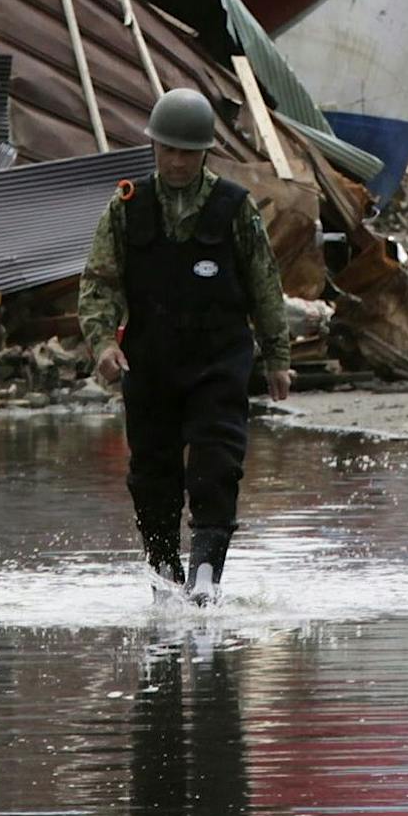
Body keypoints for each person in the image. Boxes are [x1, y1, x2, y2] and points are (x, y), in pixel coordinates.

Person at [80, 86, 293, 604]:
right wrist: (103, 344)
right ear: (153, 148)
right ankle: (163, 574)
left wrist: (277, 357)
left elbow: (266, 285)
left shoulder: (234, 209)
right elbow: (99, 283)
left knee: (216, 466)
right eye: (167, 149)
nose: (176, 161)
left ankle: (205, 576)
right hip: (150, 362)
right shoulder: (127, 208)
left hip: (218, 362)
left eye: (187, 152)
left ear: (204, 154)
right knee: (151, 477)